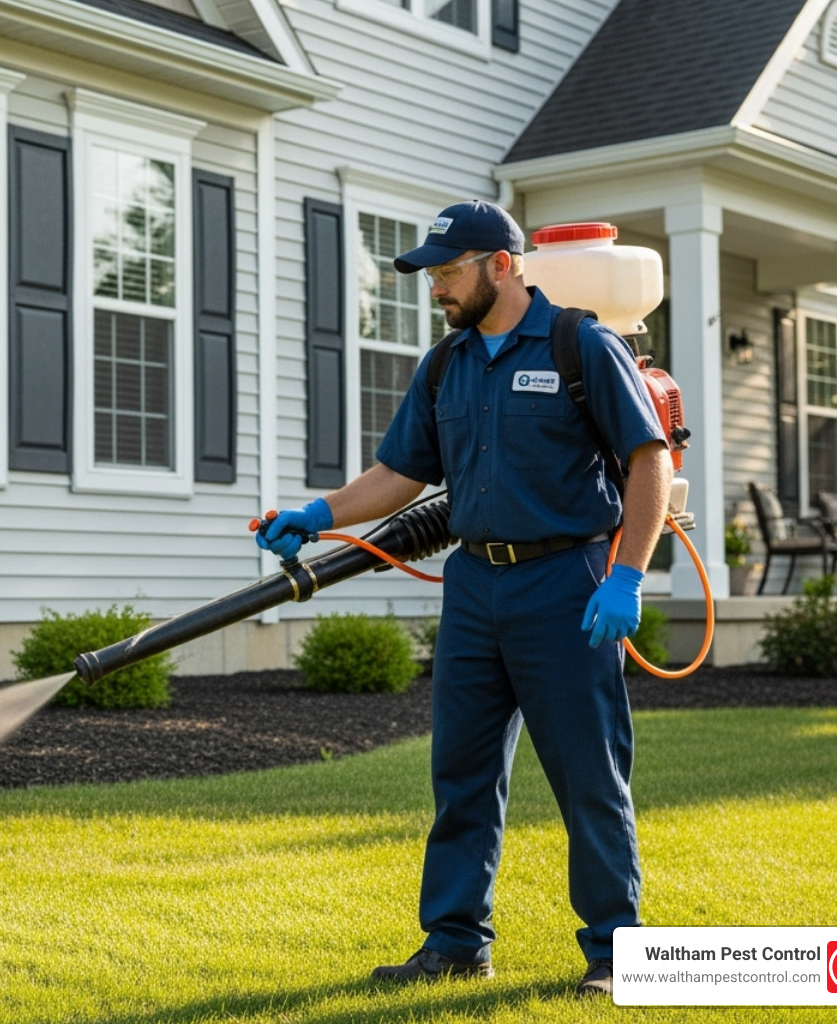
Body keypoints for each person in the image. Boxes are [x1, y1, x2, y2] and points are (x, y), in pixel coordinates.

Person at [259, 200, 672, 997]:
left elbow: (648, 462)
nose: (436, 289)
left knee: (588, 775)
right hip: (476, 585)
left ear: (501, 266)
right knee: (462, 772)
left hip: (569, 583)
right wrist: (314, 515)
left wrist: (626, 576)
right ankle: (454, 941)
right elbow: (400, 476)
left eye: (447, 272)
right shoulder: (446, 365)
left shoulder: (579, 345)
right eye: (432, 274)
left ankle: (618, 954)